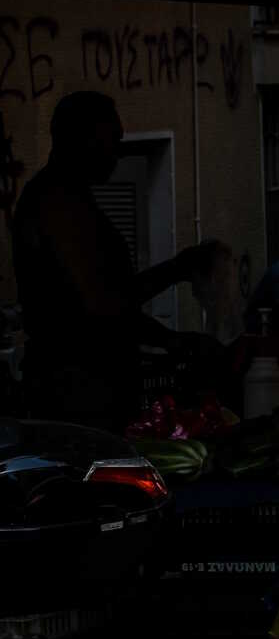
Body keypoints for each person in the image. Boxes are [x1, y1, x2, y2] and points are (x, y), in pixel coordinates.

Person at [10, 91, 220, 425]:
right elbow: (101, 305)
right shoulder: (56, 204)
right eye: (112, 139)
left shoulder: (71, 199)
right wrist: (178, 272)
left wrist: (169, 335)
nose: (118, 152)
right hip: (76, 396)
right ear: (83, 139)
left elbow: (105, 303)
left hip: (89, 389)